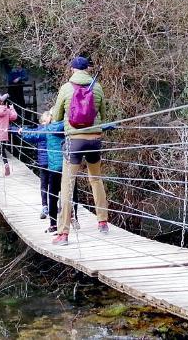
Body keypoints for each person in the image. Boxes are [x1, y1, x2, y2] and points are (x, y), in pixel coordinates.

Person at [50, 56, 107, 245]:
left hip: (74, 140)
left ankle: (63, 234)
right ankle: (102, 222)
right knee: (96, 179)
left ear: (72, 69)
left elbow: (57, 116)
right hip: (94, 140)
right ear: (87, 69)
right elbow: (104, 115)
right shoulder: (96, 87)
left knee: (67, 184)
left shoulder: (66, 88)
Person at [18, 112, 77, 233]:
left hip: (54, 168)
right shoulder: (67, 126)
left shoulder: (48, 130)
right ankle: (73, 217)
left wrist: (22, 132)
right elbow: (84, 128)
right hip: (68, 167)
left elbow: (33, 136)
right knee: (72, 192)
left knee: (53, 196)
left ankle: (53, 224)